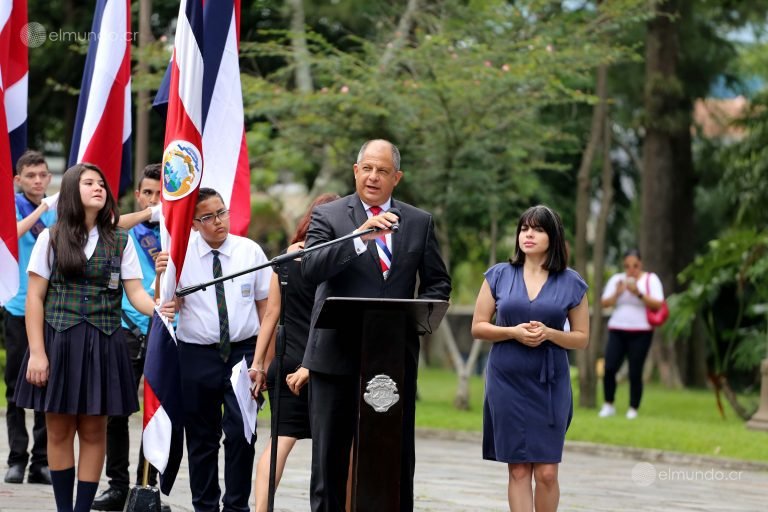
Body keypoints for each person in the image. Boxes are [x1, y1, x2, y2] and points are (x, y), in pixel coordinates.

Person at [13, 163, 175, 512]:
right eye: (89, 183)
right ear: (73, 190)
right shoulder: (50, 237)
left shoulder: (120, 240)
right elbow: (34, 298)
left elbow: (136, 293)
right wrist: (37, 353)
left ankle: (83, 508)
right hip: (58, 342)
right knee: (58, 430)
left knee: (93, 430)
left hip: (104, 343)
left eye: (101, 183)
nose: (99, 188)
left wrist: (160, 310)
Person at [301, 139, 452, 512]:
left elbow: (437, 283)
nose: (373, 177)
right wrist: (358, 238)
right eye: (367, 168)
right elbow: (311, 269)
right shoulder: (330, 216)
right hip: (334, 358)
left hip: (392, 361)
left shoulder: (418, 222)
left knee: (392, 459)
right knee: (329, 464)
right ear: (356, 171)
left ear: (396, 177)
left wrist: (417, 318)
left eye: (382, 171)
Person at [155, 187, 271, 512]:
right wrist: (163, 274)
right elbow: (166, 304)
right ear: (193, 224)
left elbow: (267, 308)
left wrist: (263, 361)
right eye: (208, 217)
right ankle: (205, 506)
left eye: (222, 212)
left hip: (243, 353)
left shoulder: (249, 252)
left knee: (241, 433)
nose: (219, 221)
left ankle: (236, 506)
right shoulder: (180, 254)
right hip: (196, 354)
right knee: (201, 437)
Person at [471, 205, 589, 512]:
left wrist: (550, 334)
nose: (529, 235)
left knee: (547, 472)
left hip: (550, 383)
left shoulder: (572, 282)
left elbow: (581, 338)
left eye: (537, 229)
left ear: (553, 237)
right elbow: (478, 327)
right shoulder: (498, 275)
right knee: (519, 469)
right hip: (506, 380)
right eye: (524, 229)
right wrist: (513, 332)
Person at [249, 193, 340, 512]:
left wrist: (259, 364)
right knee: (338, 447)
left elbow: (270, 315)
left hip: (285, 360)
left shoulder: (285, 260)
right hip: (326, 361)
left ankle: (261, 509)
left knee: (279, 442)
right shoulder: (337, 261)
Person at [91, 164, 167, 511]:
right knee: (116, 411)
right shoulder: (128, 229)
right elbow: (106, 225)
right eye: (148, 193)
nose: (154, 199)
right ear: (138, 195)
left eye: (161, 194)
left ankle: (147, 487)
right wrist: (151, 213)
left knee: (159, 412)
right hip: (128, 328)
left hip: (167, 328)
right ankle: (117, 485)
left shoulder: (179, 231)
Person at [3, 150, 57, 485]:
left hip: (52, 311)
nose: (38, 181)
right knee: (14, 387)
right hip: (18, 309)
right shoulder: (12, 206)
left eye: (42, 175)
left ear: (49, 177)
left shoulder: (58, 209)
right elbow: (12, 233)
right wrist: (41, 209)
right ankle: (16, 459)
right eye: (30, 176)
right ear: (18, 180)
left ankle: (41, 461)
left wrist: (51, 208)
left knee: (47, 388)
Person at [598, 248, 665, 420]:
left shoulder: (651, 279)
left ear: (641, 264)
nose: (631, 270)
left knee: (635, 370)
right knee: (610, 367)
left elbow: (658, 304)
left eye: (635, 266)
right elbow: (604, 303)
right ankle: (608, 404)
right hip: (617, 329)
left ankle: (633, 407)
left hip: (641, 331)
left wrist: (638, 293)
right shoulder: (617, 280)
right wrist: (618, 293)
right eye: (627, 266)